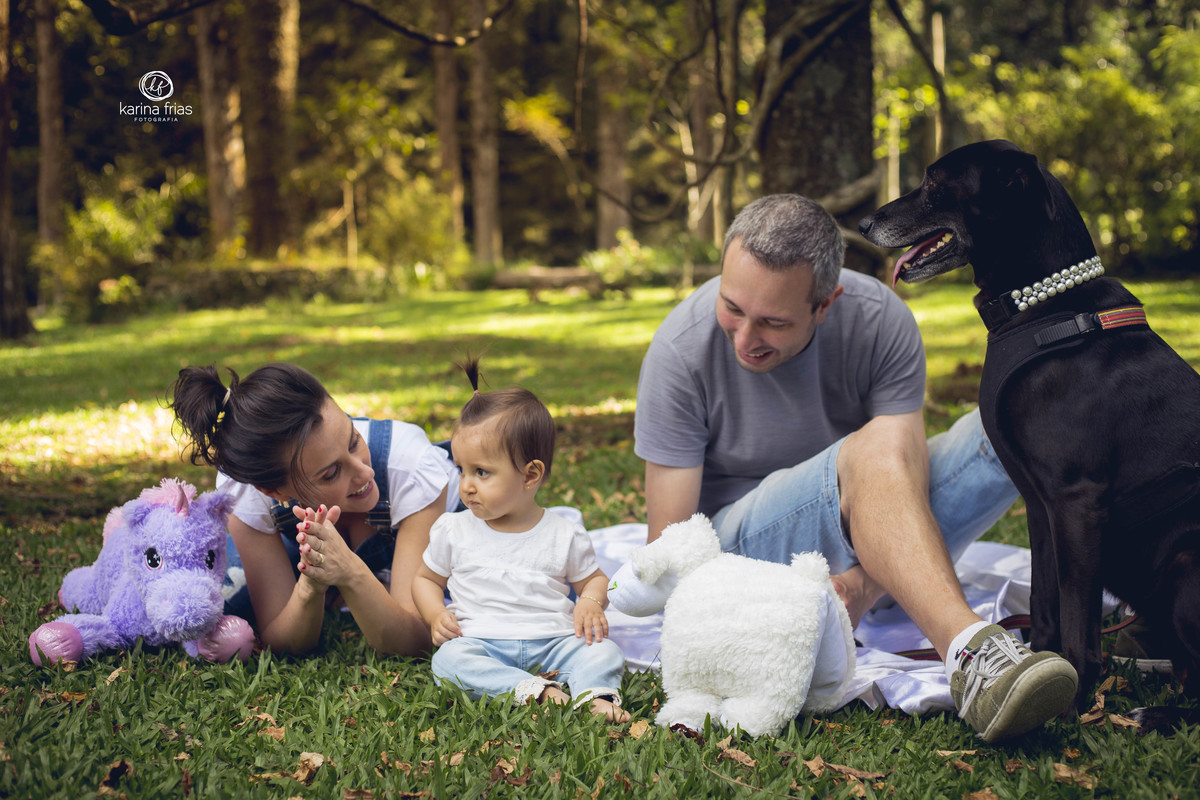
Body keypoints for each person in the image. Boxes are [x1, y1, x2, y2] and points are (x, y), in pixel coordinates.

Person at [633, 194, 1078, 742]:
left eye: (773, 322)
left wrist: (862, 585)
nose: (745, 339)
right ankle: (970, 652)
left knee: (1018, 413)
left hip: (877, 520)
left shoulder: (880, 319)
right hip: (738, 550)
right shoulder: (680, 351)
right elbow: (669, 551)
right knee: (871, 449)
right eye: (732, 307)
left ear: (827, 302)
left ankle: (1152, 586)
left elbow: (904, 465)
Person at [169, 363, 459, 656]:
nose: (364, 473)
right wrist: (310, 585)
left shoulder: (410, 466)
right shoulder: (246, 491)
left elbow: (415, 640)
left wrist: (350, 572)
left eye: (354, 440)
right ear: (274, 491)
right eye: (331, 473)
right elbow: (282, 641)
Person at [412, 360, 629, 722]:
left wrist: (590, 601)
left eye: (481, 472)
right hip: (482, 643)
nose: (466, 485)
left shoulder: (563, 532)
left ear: (530, 475)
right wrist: (435, 613)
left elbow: (593, 579)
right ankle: (537, 692)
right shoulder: (452, 529)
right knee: (448, 661)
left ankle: (593, 696)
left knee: (604, 652)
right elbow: (424, 579)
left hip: (555, 642)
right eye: (461, 470)